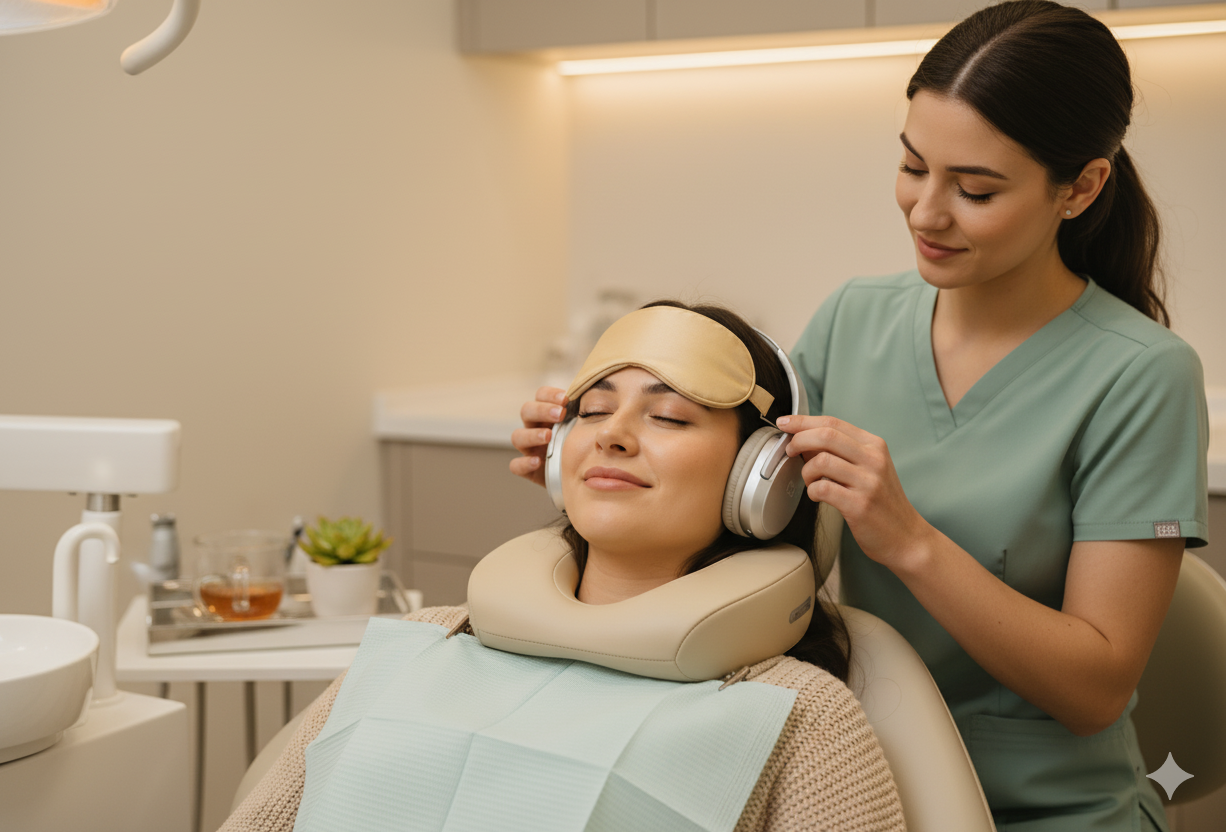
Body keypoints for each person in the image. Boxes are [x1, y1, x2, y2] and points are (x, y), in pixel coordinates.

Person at [511, 4, 1209, 831]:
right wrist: (595, 453)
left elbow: (1096, 690)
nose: (926, 212)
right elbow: (738, 501)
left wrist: (907, 540)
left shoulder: (1140, 376)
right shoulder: (854, 319)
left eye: (975, 189)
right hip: (848, 777)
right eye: (913, 167)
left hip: (1039, 811)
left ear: (1082, 188)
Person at [222, 301, 907, 832]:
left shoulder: (801, 716)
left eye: (668, 417)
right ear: (555, 456)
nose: (611, 433)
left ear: (761, 479)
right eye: (594, 410)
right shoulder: (423, 642)